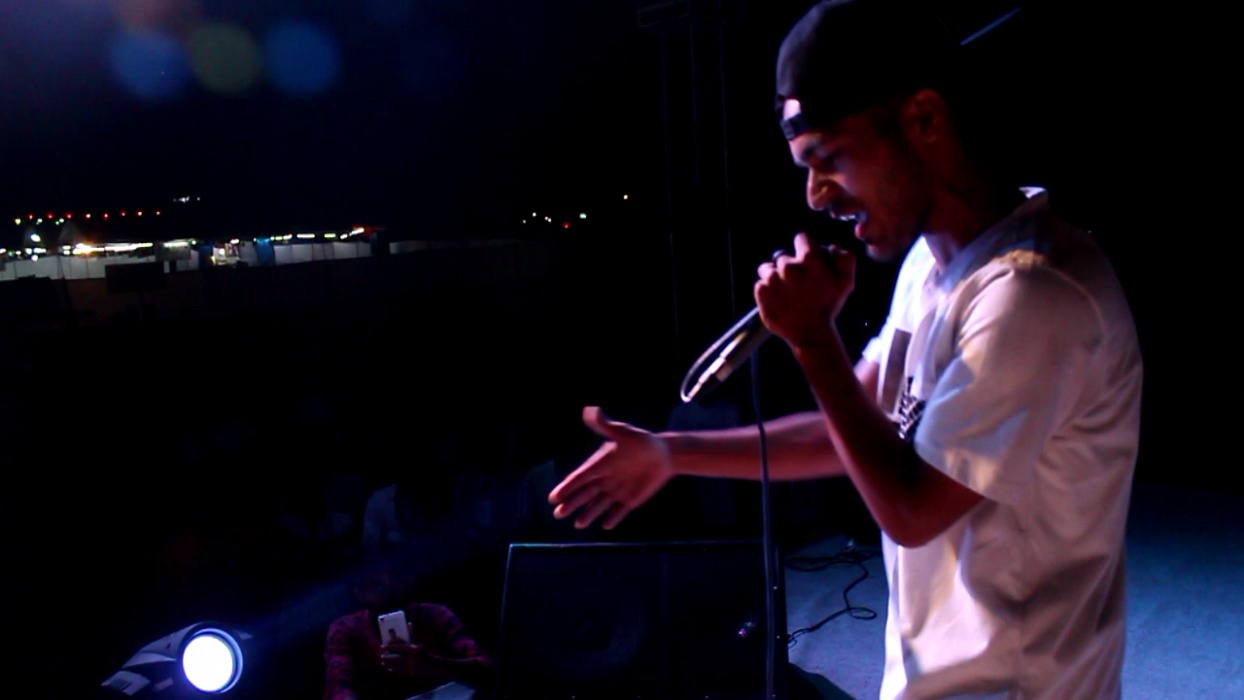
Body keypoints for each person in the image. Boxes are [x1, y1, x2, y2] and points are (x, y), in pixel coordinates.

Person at [546, 0, 1143, 698]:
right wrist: (672, 454)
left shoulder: (1034, 294)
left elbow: (911, 510)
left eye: (828, 159)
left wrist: (812, 340)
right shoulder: (934, 266)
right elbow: (846, 430)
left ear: (924, 119)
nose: (815, 194)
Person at [323, 558, 494, 700]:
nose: (387, 590)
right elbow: (338, 684)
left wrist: (432, 665)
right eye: (375, 584)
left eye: (393, 579)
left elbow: (487, 669)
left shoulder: (435, 615)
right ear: (358, 592)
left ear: (408, 579)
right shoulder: (346, 629)